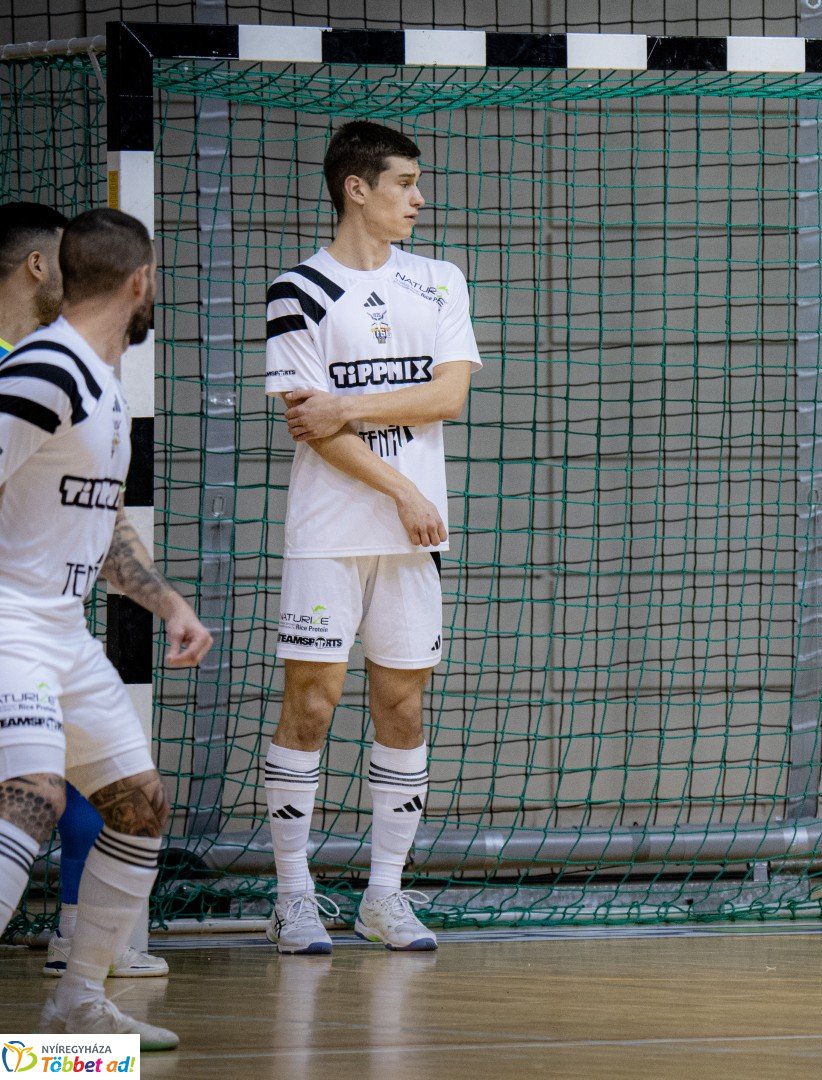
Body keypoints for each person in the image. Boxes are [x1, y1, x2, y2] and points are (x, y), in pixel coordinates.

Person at [261, 121, 480, 954]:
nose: (419, 199)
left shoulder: (439, 281)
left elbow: (447, 397)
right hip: (330, 530)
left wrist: (348, 404)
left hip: (412, 536)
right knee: (311, 704)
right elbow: (306, 426)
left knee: (404, 704)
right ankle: (293, 897)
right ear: (357, 188)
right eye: (404, 183)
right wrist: (399, 487)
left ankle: (384, 896)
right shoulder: (298, 289)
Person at [0, 208, 213, 1045]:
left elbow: (102, 523)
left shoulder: (104, 381)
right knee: (34, 797)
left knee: (139, 803)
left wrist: (168, 604)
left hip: (63, 626)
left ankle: (74, 1015)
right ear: (139, 281)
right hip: (8, 617)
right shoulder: (45, 369)